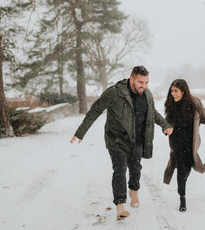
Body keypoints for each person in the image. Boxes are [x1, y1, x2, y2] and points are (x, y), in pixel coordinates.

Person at [70, 66, 173, 221]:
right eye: (140, 82)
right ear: (131, 79)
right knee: (120, 169)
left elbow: (153, 112)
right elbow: (95, 110)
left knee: (135, 168)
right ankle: (120, 206)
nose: (143, 86)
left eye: (146, 82)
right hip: (116, 139)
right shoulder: (115, 93)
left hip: (137, 139)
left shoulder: (147, 94)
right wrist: (80, 132)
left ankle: (134, 192)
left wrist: (165, 125)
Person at [163, 79, 205, 212]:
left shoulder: (195, 103)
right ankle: (182, 197)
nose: (173, 94)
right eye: (171, 91)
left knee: (186, 170)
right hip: (177, 143)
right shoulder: (171, 105)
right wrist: (166, 129)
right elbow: (166, 123)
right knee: (181, 170)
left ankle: (182, 186)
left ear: (183, 91)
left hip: (191, 143)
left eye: (176, 91)